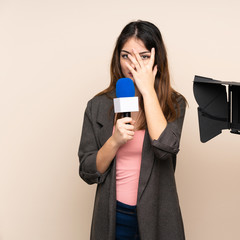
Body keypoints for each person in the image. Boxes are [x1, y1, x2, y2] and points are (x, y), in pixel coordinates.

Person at [78, 20, 187, 240]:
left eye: (144, 56)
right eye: (126, 55)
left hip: (157, 218)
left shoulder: (174, 104)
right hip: (113, 217)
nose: (133, 64)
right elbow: (87, 171)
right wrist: (114, 141)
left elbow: (165, 148)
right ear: (117, 59)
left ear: (158, 60)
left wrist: (148, 91)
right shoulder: (97, 105)